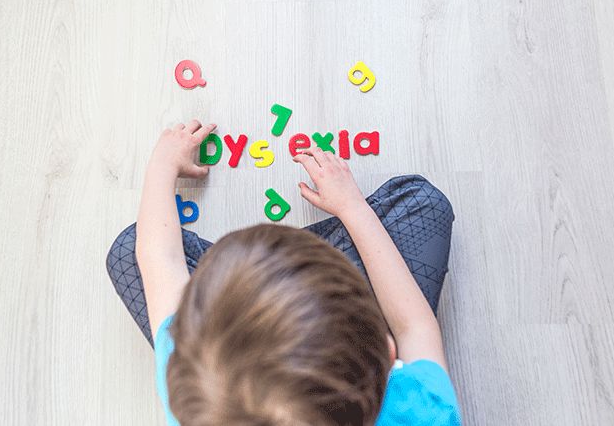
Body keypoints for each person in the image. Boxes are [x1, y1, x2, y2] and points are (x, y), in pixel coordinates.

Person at [106, 119, 461, 425]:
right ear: (388, 352)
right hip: (342, 321)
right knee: (422, 202)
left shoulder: (198, 392)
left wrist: (162, 165)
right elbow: (415, 326)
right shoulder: (423, 414)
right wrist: (352, 208)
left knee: (131, 248)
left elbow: (158, 257)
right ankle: (338, 256)